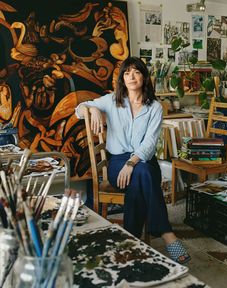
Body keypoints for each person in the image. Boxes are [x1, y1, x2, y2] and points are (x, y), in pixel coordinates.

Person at [75, 56, 191, 264]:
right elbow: (78, 109)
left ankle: (132, 240)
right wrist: (91, 108)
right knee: (143, 174)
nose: (131, 76)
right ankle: (166, 233)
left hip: (144, 159)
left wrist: (132, 163)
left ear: (144, 77)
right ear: (122, 78)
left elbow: (149, 144)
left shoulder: (155, 107)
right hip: (117, 161)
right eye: (127, 73)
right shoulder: (112, 101)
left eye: (136, 72)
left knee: (140, 174)